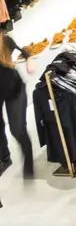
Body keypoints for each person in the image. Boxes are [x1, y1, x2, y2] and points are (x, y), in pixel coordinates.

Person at [0, 31, 36, 177]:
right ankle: (5, 158)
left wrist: (29, 60)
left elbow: (25, 52)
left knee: (17, 129)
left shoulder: (5, 41)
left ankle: (28, 163)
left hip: (15, 90)